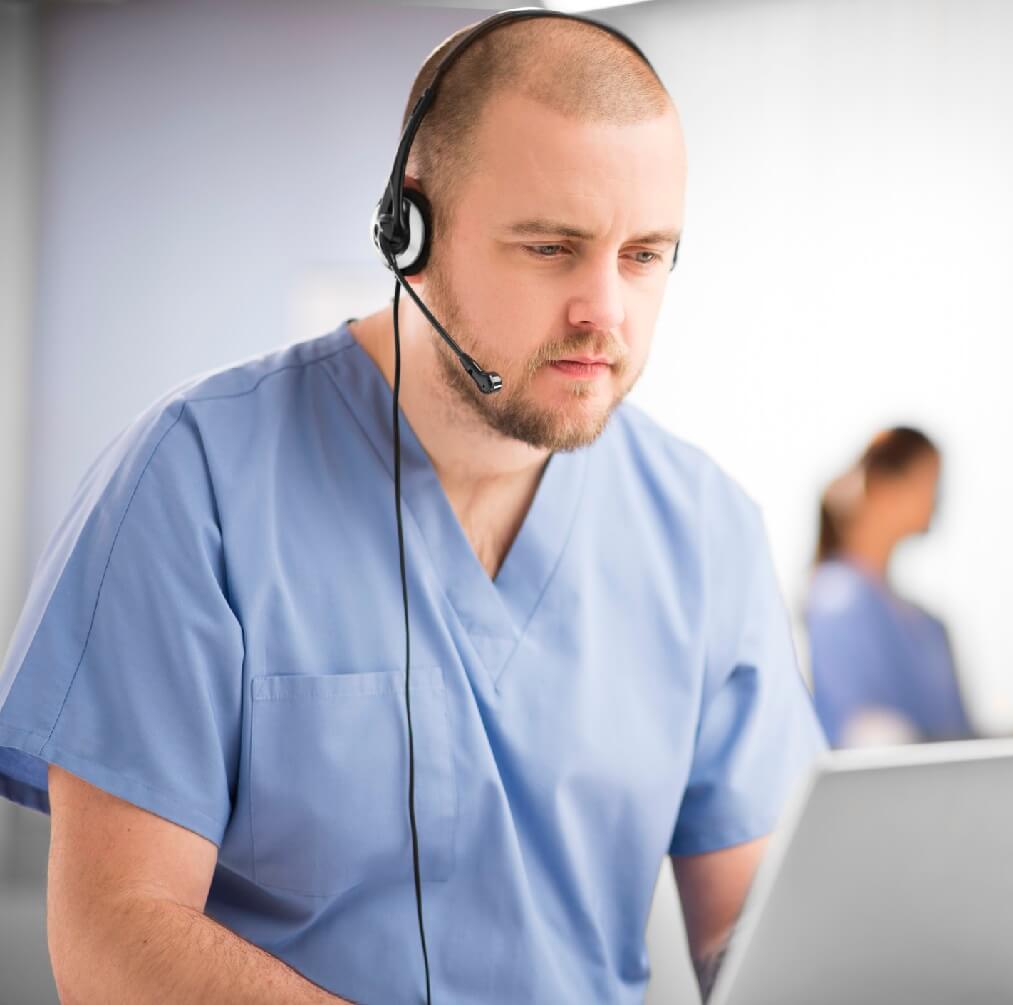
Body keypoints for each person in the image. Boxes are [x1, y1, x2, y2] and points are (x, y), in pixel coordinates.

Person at [0, 13, 823, 1004]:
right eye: (551, 247)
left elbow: (751, 931)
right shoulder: (191, 483)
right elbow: (114, 935)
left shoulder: (705, 529)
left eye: (644, 256)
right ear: (410, 230)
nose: (604, 311)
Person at [805, 427, 975, 747]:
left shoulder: (929, 625)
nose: (937, 500)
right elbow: (862, 730)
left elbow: (964, 739)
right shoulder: (837, 599)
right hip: (881, 793)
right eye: (929, 482)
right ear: (883, 487)